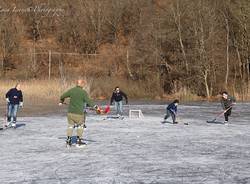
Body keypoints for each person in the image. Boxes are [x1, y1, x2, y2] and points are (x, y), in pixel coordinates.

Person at [59, 79, 96, 147]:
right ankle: (79, 141)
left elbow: (62, 96)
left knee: (70, 126)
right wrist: (96, 107)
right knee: (80, 126)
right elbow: (88, 101)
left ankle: (68, 140)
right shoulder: (83, 92)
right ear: (81, 84)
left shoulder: (72, 90)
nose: (83, 85)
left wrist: (61, 101)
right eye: (83, 83)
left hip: (70, 113)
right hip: (79, 113)